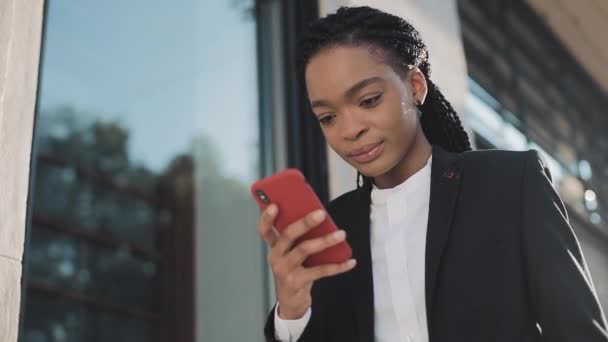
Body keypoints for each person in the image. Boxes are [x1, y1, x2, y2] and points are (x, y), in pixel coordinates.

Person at [256, 6, 608, 342]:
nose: (349, 130)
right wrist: (292, 312)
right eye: (328, 117)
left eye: (368, 100)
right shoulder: (332, 230)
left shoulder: (511, 183)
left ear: (415, 86)